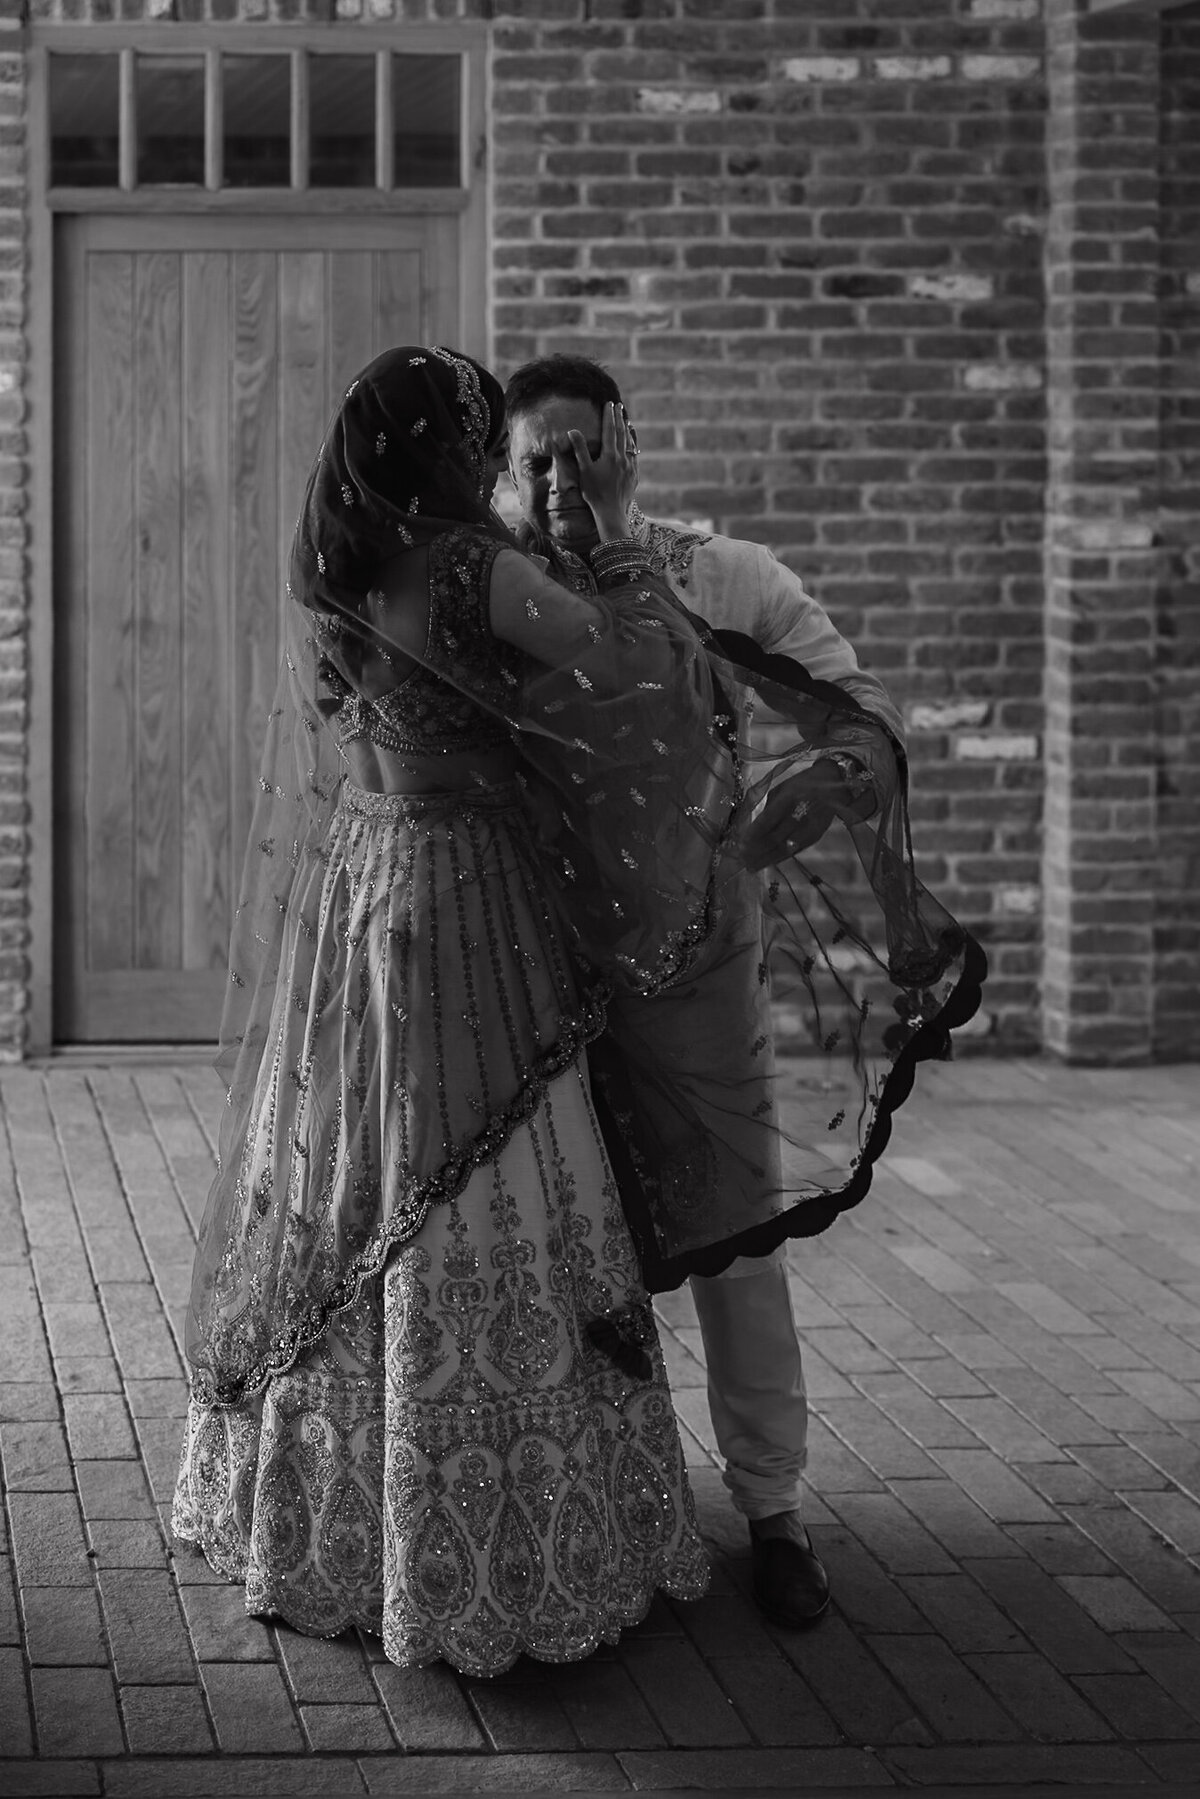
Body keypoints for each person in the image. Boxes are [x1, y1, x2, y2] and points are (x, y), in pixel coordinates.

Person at [171, 346, 751, 1675]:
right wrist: (602, 547)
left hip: (354, 880)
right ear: (442, 447)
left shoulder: (329, 566)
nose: (501, 462)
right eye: (487, 438)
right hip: (466, 896)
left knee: (335, 1168)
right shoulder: (469, 567)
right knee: (489, 1175)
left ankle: (321, 1528)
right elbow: (615, 669)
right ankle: (489, 1542)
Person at [503, 353, 983, 1631]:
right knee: (554, 1239)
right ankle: (584, 1506)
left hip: (700, 963)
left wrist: (771, 816)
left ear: (628, 442)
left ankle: (773, 1506)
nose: (559, 481)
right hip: (542, 965)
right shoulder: (492, 586)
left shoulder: (723, 577)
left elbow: (863, 717)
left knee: (734, 1236)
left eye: (580, 452)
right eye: (534, 460)